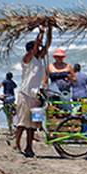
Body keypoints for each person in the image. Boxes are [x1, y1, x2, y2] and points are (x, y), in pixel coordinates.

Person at [15, 26, 51, 158]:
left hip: (35, 96)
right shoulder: (27, 60)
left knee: (32, 125)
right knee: (22, 123)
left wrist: (49, 30)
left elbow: (47, 46)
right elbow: (37, 46)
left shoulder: (39, 60)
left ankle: (29, 148)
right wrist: (40, 33)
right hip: (25, 95)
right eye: (37, 48)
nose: (40, 50)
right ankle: (16, 143)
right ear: (31, 50)